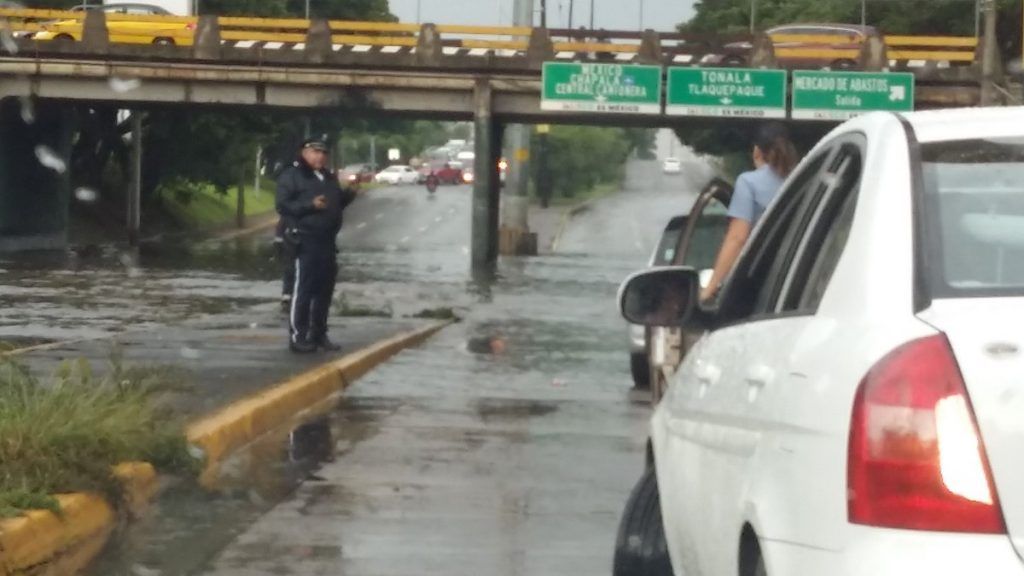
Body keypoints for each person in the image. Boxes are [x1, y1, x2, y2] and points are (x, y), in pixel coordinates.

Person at [700, 122, 799, 303]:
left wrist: (710, 289)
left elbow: (737, 239)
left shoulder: (749, 183)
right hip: (800, 277)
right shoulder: (805, 176)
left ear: (756, 151)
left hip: (762, 283)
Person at [276, 137, 358, 354]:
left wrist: (349, 194)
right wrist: (309, 206)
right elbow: (283, 205)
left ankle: (319, 333)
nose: (319, 156)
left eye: (323, 153)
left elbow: (335, 203)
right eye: (314, 152)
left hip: (327, 240)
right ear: (303, 153)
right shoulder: (293, 176)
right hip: (305, 239)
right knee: (303, 289)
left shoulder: (328, 178)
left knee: (324, 291)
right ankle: (298, 336)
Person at [274, 218, 296, 313]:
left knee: (289, 271)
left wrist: (278, 253)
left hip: (288, 250)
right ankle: (287, 296)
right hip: (292, 250)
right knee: (290, 271)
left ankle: (286, 296)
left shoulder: (285, 216)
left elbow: (278, 237)